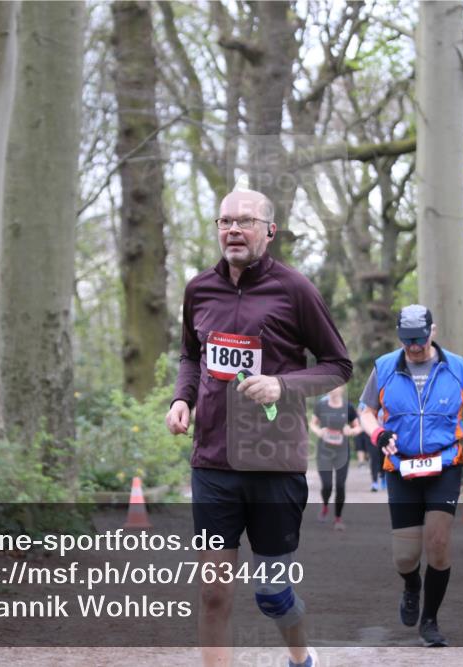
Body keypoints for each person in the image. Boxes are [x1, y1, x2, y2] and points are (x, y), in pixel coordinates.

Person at [165, 188, 353, 667]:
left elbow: (337, 365)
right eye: (225, 221)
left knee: (272, 593)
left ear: (269, 231)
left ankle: (299, 657)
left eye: (245, 221)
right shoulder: (199, 289)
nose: (233, 230)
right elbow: (192, 354)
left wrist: (282, 385)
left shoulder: (296, 289)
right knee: (212, 593)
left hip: (273, 462)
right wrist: (181, 399)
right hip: (213, 460)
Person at [357, 305, 463, 648]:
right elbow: (365, 410)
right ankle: (411, 585)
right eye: (408, 340)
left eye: (420, 339)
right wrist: (378, 434)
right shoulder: (385, 367)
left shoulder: (456, 367)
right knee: (404, 557)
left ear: (433, 331)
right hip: (401, 467)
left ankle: (430, 621)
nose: (414, 347)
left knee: (439, 544)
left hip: (445, 464)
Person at [308, 385, 361, 530]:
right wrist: (318, 431)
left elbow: (358, 427)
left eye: (336, 386)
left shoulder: (348, 407)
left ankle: (338, 518)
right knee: (327, 485)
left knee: (340, 485)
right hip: (324, 451)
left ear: (342, 388)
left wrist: (350, 431)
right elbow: (312, 424)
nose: (333, 389)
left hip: (342, 452)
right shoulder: (321, 405)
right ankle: (325, 506)